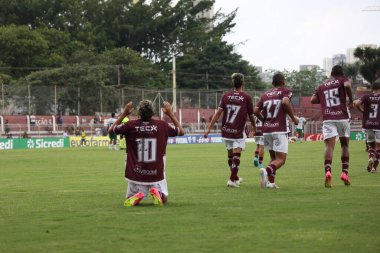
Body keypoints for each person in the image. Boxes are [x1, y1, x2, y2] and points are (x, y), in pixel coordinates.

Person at [109, 100, 184, 207]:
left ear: (138, 113)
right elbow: (181, 132)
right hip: (156, 172)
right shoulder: (162, 125)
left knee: (129, 198)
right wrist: (170, 114)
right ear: (153, 113)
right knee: (164, 199)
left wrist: (124, 114)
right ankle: (157, 192)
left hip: (135, 171)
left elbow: (111, 131)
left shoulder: (130, 125)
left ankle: (138, 195)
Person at [204, 73, 256, 188]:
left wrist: (208, 129)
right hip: (238, 130)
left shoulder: (226, 96)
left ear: (232, 83)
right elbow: (251, 115)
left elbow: (217, 114)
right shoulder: (246, 97)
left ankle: (235, 177)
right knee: (237, 155)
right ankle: (232, 180)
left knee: (230, 156)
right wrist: (255, 128)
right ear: (243, 83)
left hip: (227, 130)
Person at [310, 65, 354, 187]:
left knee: (329, 146)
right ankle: (345, 173)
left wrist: (324, 99)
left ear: (331, 74)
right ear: (342, 73)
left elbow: (313, 100)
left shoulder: (322, 86)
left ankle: (328, 171)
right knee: (345, 145)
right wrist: (350, 99)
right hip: (342, 117)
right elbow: (347, 86)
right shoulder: (342, 80)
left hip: (328, 118)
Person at [254, 72, 299, 189]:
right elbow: (285, 102)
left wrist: (264, 120)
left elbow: (255, 111)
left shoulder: (265, 95)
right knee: (281, 160)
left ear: (272, 83)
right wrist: (293, 118)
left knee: (273, 158)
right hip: (279, 129)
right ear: (283, 82)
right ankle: (266, 171)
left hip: (267, 130)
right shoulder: (285, 91)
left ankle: (271, 183)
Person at [353, 79, 380, 173]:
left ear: (373, 89)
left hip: (368, 124)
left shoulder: (366, 96)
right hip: (379, 124)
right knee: (379, 148)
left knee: (371, 146)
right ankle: (374, 168)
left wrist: (362, 111)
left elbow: (355, 103)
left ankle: (370, 158)